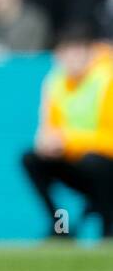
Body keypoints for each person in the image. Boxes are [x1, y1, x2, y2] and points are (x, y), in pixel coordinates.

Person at [21, 23, 113, 239]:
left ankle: (109, 225)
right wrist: (46, 143)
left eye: (77, 52)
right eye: (67, 53)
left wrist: (69, 141)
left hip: (103, 165)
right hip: (76, 163)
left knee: (94, 162)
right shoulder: (55, 83)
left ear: (90, 53)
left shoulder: (106, 81)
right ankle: (60, 224)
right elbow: (48, 127)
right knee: (32, 160)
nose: (72, 60)